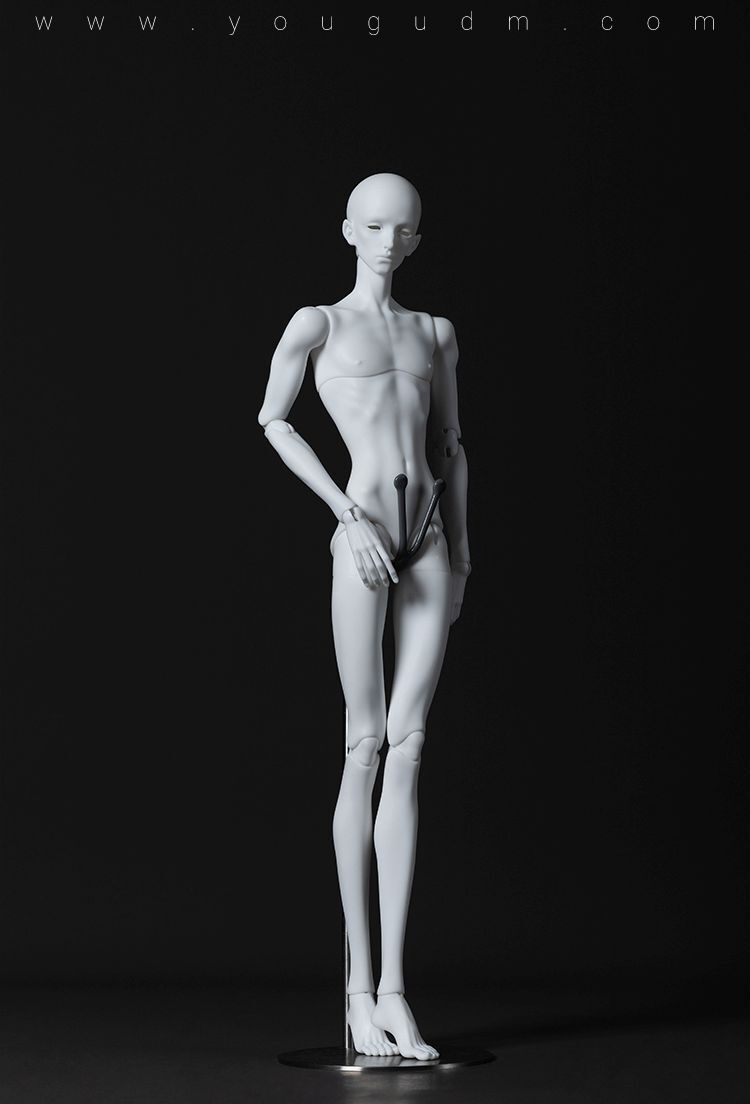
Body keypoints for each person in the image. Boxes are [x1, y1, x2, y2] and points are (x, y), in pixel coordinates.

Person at [258, 173, 470, 1060]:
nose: (389, 241)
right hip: (364, 538)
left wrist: (463, 553)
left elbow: (451, 446)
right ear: (349, 231)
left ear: (417, 239)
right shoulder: (318, 324)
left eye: (404, 228)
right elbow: (273, 420)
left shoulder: (434, 333)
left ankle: (394, 993)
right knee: (366, 741)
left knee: (412, 745)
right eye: (375, 225)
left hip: (428, 541)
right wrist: (344, 513)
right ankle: (356, 996)